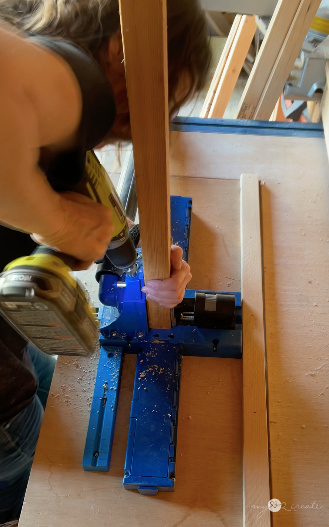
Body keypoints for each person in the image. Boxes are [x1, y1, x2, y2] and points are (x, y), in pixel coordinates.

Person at [0, 0, 211, 522]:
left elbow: (91, 215)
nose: (136, 126)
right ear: (121, 51)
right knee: (28, 474)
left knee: (53, 387)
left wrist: (139, 256)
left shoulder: (60, 143)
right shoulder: (51, 82)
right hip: (0, 399)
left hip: (12, 341)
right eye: (158, 97)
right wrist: (63, 225)